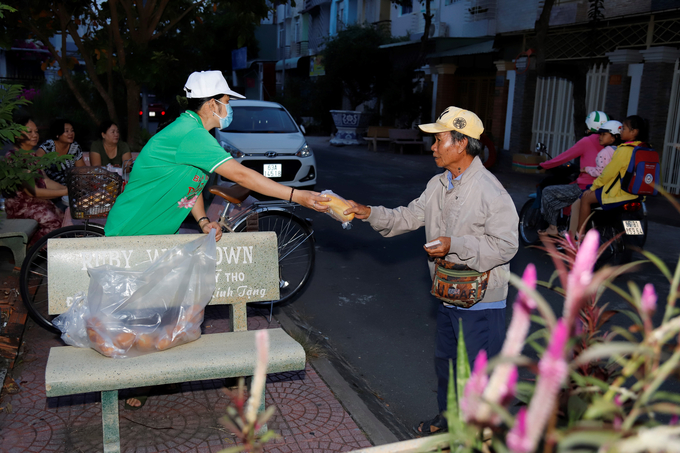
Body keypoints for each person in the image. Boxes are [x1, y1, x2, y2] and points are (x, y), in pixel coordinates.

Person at [104, 70, 330, 409]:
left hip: (156, 236)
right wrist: (298, 196)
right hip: (131, 235)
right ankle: (137, 383)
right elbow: (241, 175)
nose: (229, 108)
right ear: (212, 103)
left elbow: (191, 183)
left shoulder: (197, 135)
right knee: (143, 316)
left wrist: (204, 220)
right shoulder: (188, 134)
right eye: (226, 102)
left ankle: (158, 377)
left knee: (167, 311)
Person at [345, 106, 519, 435]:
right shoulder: (439, 184)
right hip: (449, 294)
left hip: (481, 301)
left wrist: (455, 244)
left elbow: (506, 246)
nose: (433, 148)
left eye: (439, 141)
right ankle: (449, 419)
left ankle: (476, 435)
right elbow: (407, 217)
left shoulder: (491, 192)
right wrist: (366, 212)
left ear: (462, 144)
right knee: (448, 365)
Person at [536, 111, 610, 237]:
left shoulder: (587, 141)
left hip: (585, 187)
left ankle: (553, 227)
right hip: (606, 188)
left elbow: (564, 157)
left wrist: (545, 165)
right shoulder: (613, 145)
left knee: (548, 192)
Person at [576, 115, 649, 233]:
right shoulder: (646, 149)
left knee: (585, 198)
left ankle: (579, 237)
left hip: (620, 193)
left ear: (634, 132)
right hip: (637, 194)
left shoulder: (624, 150)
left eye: (624, 128)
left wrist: (594, 187)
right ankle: (631, 235)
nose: (621, 131)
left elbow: (608, 173)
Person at [3, 116, 67, 246]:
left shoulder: (33, 156)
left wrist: (68, 188)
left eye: (36, 132)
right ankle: (26, 255)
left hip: (37, 204)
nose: (35, 135)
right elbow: (34, 192)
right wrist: (65, 191)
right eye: (29, 131)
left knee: (65, 219)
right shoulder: (14, 158)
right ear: (16, 135)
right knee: (55, 224)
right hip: (21, 207)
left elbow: (46, 181)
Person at [36, 118, 86, 185]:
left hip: (70, 185)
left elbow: (81, 170)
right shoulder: (48, 146)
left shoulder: (75, 147)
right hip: (49, 185)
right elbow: (36, 165)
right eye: (67, 131)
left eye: (72, 130)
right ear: (57, 134)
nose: (71, 133)